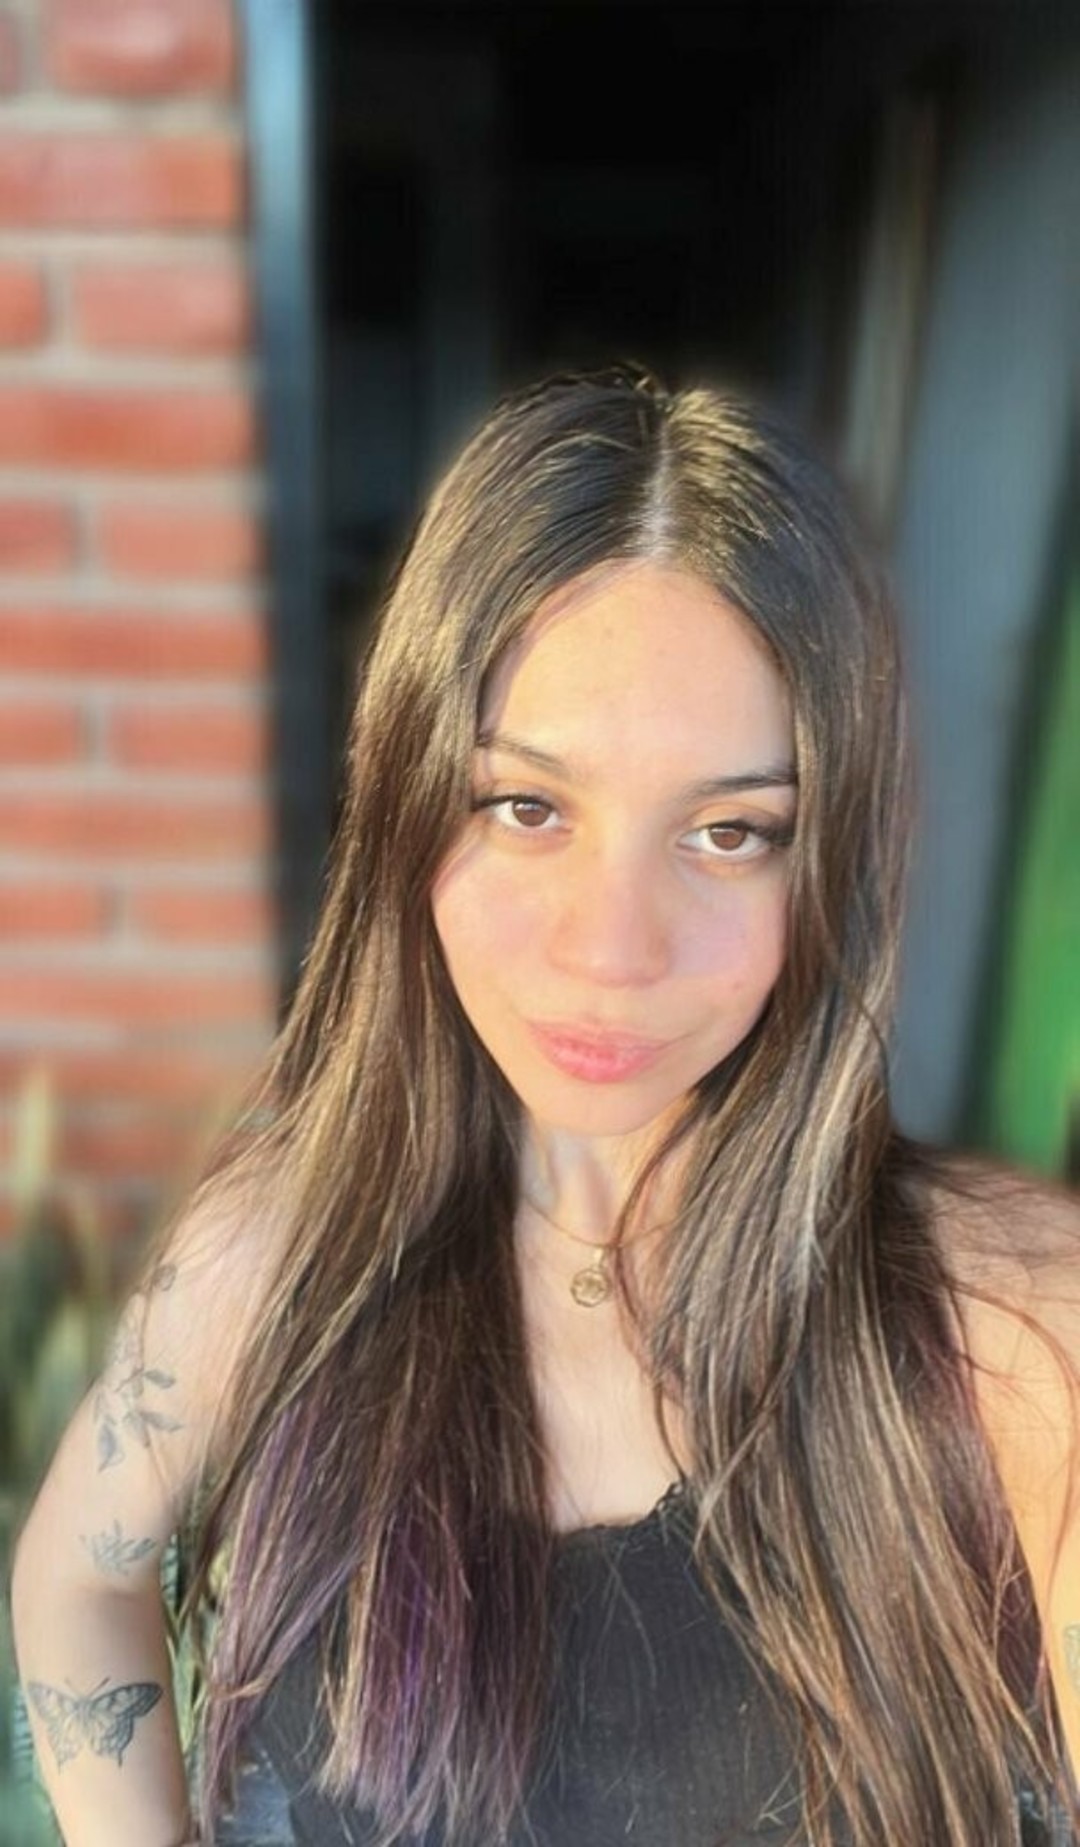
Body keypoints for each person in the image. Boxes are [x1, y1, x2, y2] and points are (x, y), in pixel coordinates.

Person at [11, 366, 1080, 1847]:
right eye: (526, 808)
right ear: (407, 805)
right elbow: (77, 1574)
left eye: (731, 832)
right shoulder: (284, 1245)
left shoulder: (1010, 1330)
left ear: (830, 861)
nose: (611, 951)